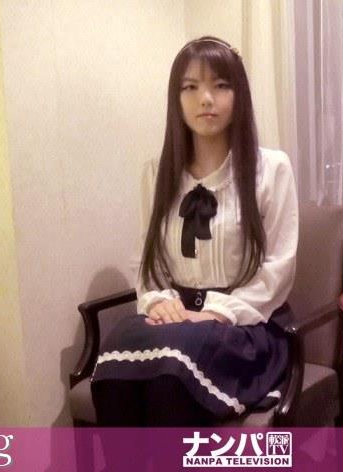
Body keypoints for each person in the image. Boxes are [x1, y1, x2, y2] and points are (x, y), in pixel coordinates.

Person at [90, 35, 299, 426]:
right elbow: (147, 258)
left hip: (244, 326)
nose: (206, 99)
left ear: (239, 95)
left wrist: (217, 313)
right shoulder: (156, 173)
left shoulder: (271, 170)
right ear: (177, 98)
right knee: (116, 362)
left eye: (220, 85)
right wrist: (158, 301)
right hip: (177, 317)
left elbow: (279, 268)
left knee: (170, 379)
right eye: (191, 87)